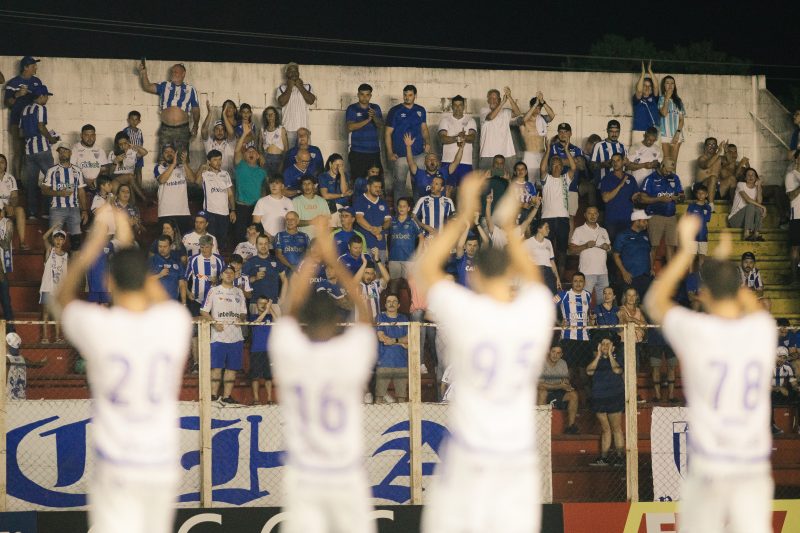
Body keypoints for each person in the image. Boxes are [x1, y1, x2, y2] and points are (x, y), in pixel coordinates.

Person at [417, 171, 555, 533]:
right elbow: (538, 283)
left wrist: (465, 213)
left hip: (469, 457)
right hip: (515, 461)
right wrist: (510, 228)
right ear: (511, 273)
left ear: (474, 277)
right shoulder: (533, 313)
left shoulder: (466, 312)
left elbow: (427, 269)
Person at [52, 206, 192, 533]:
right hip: (160, 465)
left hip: (117, 467)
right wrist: (130, 251)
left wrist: (94, 244)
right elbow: (158, 299)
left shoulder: (99, 326)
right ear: (146, 279)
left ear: (108, 280)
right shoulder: (174, 323)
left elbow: (61, 298)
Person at [644, 214, 777, 533]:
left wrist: (688, 250)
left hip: (709, 466)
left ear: (703, 294)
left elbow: (655, 301)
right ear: (740, 290)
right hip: (751, 466)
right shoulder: (763, 329)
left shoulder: (697, 330)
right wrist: (728, 272)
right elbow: (750, 302)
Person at [268, 215, 376, 533]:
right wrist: (332, 257)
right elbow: (365, 314)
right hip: (346, 474)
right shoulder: (349, 355)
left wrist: (314, 256)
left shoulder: (292, 352)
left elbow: (288, 313)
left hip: (305, 475)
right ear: (335, 323)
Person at [201, 264, 247, 404]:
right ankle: (213, 396)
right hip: (218, 336)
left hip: (236, 336)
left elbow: (243, 312)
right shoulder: (214, 291)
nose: (228, 274)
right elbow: (203, 311)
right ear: (221, 275)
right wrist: (214, 322)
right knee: (217, 367)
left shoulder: (239, 292)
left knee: (231, 368)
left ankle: (227, 396)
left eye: (231, 272)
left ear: (234, 275)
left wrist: (241, 318)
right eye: (225, 272)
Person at [138, 61, 200, 154]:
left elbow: (196, 110)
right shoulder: (164, 85)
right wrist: (143, 73)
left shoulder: (190, 89)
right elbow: (147, 87)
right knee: (164, 157)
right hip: (166, 128)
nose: (173, 73)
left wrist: (195, 125)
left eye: (176, 71)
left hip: (182, 129)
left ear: (183, 74)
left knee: (182, 158)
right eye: (172, 71)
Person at [385, 85, 431, 201]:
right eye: (405, 95)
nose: (407, 97)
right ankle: (398, 216)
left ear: (415, 96)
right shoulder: (395, 111)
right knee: (399, 186)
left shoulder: (420, 110)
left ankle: (418, 213)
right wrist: (390, 153)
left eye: (410, 95)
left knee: (419, 185)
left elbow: (424, 129)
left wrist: (428, 142)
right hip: (401, 156)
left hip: (418, 154)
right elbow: (387, 133)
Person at [539, 138, 577, 278]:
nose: (556, 167)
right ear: (550, 167)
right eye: (553, 164)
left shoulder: (565, 179)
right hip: (547, 219)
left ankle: (559, 278)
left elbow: (573, 167)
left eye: (558, 164)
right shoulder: (546, 178)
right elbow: (541, 169)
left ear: (562, 167)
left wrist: (566, 151)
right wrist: (548, 150)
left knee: (561, 250)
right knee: (545, 248)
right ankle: (546, 277)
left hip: (562, 219)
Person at [586, 336, 625, 467]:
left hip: (614, 396)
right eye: (603, 344)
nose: (605, 346)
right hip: (599, 397)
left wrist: (609, 355)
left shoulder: (617, 358)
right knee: (605, 429)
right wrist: (598, 356)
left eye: (608, 344)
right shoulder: (596, 360)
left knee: (616, 429)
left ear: (613, 347)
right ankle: (604, 458)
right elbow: (589, 372)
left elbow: (617, 370)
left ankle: (620, 457)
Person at [20, 85, 58, 219]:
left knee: (31, 183)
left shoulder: (24, 110)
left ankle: (31, 213)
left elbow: (21, 132)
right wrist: (51, 139)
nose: (47, 98)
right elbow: (41, 127)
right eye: (46, 96)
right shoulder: (41, 108)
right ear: (41, 96)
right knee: (51, 179)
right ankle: (47, 212)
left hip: (29, 151)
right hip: (42, 149)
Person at [41, 143, 88, 250]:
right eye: (60, 152)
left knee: (76, 241)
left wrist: (84, 210)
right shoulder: (52, 170)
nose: (62, 154)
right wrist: (59, 193)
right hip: (57, 209)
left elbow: (81, 191)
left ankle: (74, 265)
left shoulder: (77, 171)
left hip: (74, 208)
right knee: (54, 239)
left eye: (65, 151)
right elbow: (44, 190)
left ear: (70, 153)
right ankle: (52, 265)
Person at [5, 56, 44, 179]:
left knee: (33, 151)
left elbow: (42, 99)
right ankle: (17, 180)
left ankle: (30, 181)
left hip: (32, 121)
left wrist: (31, 94)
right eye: (33, 66)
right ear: (25, 67)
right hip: (16, 120)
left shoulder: (37, 81)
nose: (36, 68)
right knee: (19, 151)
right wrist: (17, 94)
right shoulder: (13, 82)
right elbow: (7, 103)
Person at [639, 158, 684, 262]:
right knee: (653, 246)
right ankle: (650, 272)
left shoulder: (674, 177)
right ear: (662, 165)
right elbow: (642, 198)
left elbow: (682, 195)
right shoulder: (650, 179)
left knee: (671, 245)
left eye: (671, 171)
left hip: (671, 217)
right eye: (667, 170)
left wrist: (678, 197)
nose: (669, 173)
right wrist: (659, 199)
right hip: (655, 216)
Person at [404, 132, 464, 201]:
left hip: (441, 207)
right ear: (425, 163)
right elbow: (410, 162)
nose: (432, 161)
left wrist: (461, 148)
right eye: (429, 159)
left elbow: (456, 162)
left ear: (438, 163)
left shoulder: (444, 172)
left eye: (434, 159)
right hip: (425, 208)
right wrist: (408, 147)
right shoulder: (419, 174)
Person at [196, 149, 236, 250]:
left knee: (222, 241)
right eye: (215, 160)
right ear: (209, 161)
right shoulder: (205, 173)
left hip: (224, 213)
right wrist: (201, 168)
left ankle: (220, 262)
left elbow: (230, 194)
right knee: (210, 240)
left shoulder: (225, 174)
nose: (218, 162)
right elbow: (196, 182)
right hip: (210, 213)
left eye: (220, 159)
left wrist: (233, 210)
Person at [569, 206, 611, 301]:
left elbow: (609, 248)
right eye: (589, 213)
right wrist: (585, 246)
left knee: (604, 302)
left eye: (595, 213)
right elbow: (571, 249)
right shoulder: (579, 230)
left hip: (603, 272)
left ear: (598, 215)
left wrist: (607, 247)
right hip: (587, 272)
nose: (592, 216)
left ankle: (601, 316)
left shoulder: (603, 230)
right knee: (585, 301)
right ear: (585, 215)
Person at [438, 95, 477, 196]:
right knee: (447, 190)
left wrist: (463, 137)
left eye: (460, 105)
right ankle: (448, 211)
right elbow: (443, 138)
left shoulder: (470, 121)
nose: (458, 108)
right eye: (455, 105)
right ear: (452, 106)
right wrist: (458, 137)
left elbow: (472, 138)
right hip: (448, 161)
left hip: (465, 162)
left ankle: (461, 212)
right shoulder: (445, 121)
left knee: (464, 192)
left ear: (464, 106)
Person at [375, 293, 409, 403]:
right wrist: (401, 342)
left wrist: (394, 341)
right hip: (384, 362)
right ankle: (377, 420)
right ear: (385, 304)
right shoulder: (381, 317)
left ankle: (402, 420)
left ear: (399, 305)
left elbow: (409, 339)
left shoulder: (404, 318)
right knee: (379, 396)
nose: (391, 303)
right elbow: (381, 337)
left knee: (401, 397)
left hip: (401, 362)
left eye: (394, 301)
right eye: (389, 301)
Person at [600, 153, 641, 245]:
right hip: (612, 220)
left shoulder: (630, 178)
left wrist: (638, 198)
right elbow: (606, 199)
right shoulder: (607, 178)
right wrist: (621, 184)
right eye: (613, 161)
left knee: (625, 248)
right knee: (612, 248)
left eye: (618, 160)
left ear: (623, 161)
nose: (615, 163)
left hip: (627, 220)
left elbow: (636, 198)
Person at [538, 345, 579, 434]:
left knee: (573, 395)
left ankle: (570, 426)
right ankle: (541, 426)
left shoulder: (563, 363)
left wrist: (567, 385)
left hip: (557, 392)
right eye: (553, 352)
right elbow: (540, 385)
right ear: (549, 351)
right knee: (542, 392)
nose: (555, 355)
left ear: (561, 355)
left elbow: (565, 381)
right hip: (544, 392)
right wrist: (560, 385)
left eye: (558, 353)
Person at [233, 132, 267, 241]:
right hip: (241, 207)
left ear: (258, 156)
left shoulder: (262, 172)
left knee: (254, 236)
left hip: (255, 208)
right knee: (239, 234)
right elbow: (237, 150)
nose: (251, 153)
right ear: (244, 155)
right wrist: (245, 134)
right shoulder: (241, 165)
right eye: (248, 151)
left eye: (254, 151)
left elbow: (265, 190)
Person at [613, 209, 654, 299]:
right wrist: (624, 272)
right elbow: (616, 255)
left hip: (646, 276)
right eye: (644, 221)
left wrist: (652, 268)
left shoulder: (645, 236)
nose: (646, 223)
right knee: (629, 304)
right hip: (631, 277)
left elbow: (650, 252)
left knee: (646, 305)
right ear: (636, 221)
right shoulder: (622, 235)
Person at [479, 87, 522, 171]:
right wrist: (502, 103)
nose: (493, 100)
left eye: (495, 98)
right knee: (486, 181)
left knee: (507, 180)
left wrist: (509, 96)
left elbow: (517, 113)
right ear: (487, 100)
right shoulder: (483, 111)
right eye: (491, 98)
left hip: (506, 153)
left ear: (499, 99)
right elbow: (490, 117)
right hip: (487, 154)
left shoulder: (506, 112)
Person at [346, 83, 384, 180]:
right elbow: (350, 127)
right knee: (358, 180)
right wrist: (367, 120)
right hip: (357, 151)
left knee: (376, 181)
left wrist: (374, 117)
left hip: (373, 151)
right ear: (358, 95)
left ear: (370, 96)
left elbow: (380, 125)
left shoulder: (375, 108)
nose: (364, 97)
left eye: (367, 95)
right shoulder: (352, 108)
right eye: (362, 94)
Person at [155, 144, 195, 234]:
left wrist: (184, 163)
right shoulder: (159, 168)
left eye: (171, 151)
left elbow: (193, 179)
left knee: (184, 241)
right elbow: (162, 180)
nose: (169, 153)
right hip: (165, 213)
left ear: (175, 153)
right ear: (162, 155)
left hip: (183, 212)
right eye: (166, 152)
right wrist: (173, 164)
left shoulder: (182, 167)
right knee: (166, 242)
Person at [276, 62, 316, 148]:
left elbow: (311, 100)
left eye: (296, 71)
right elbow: (282, 102)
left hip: (304, 129)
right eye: (291, 71)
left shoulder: (307, 86)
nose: (293, 73)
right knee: (289, 156)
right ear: (286, 74)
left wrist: (300, 87)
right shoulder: (281, 88)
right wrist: (290, 87)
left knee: (305, 155)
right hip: (288, 130)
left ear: (299, 73)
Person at [519, 91, 555, 183]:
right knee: (529, 182)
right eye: (536, 107)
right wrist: (535, 104)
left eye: (539, 108)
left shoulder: (542, 119)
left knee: (542, 182)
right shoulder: (524, 118)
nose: (538, 109)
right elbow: (523, 120)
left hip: (541, 154)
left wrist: (543, 102)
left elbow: (552, 116)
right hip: (529, 154)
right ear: (532, 107)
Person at [354, 175, 392, 261]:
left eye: (380, 187)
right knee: (366, 273)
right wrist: (374, 231)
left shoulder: (383, 202)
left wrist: (381, 228)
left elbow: (388, 221)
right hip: (364, 246)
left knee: (380, 273)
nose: (378, 189)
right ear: (368, 186)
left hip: (380, 246)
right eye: (375, 186)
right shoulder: (360, 200)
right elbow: (359, 219)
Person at [185, 235, 224, 318]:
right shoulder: (193, 259)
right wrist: (188, 293)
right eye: (202, 247)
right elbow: (185, 279)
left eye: (207, 247)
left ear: (212, 246)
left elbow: (225, 277)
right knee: (196, 327)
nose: (204, 250)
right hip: (196, 300)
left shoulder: (219, 260)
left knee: (213, 325)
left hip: (215, 299)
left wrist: (218, 279)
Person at [249, 296, 278, 405]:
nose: (262, 305)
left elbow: (278, 321)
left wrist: (270, 308)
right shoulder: (253, 316)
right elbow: (257, 322)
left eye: (265, 303)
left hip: (269, 350)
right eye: (260, 303)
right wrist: (266, 310)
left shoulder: (270, 316)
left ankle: (269, 399)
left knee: (268, 376)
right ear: (256, 305)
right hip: (256, 350)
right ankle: (256, 399)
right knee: (255, 376)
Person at [387, 197, 423, 279]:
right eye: (400, 206)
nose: (401, 208)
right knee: (394, 283)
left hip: (409, 259)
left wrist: (418, 255)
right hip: (393, 258)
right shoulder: (392, 221)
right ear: (397, 207)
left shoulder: (412, 222)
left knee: (408, 285)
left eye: (404, 206)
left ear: (408, 208)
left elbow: (421, 237)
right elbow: (386, 237)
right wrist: (387, 253)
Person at [6, 332, 47, 400]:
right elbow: (36, 365)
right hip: (21, 398)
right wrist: (44, 361)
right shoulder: (22, 359)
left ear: (7, 344)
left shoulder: (6, 360)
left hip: (8, 399)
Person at [252, 175, 294, 243]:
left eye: (277, 183)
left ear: (282, 186)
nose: (273, 186)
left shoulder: (289, 202)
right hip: (266, 242)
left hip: (284, 241)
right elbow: (256, 223)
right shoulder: (261, 201)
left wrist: (285, 237)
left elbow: (292, 222)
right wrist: (268, 237)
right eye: (271, 183)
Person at [728, 167, 766, 241]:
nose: (751, 177)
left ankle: (756, 234)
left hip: (748, 221)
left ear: (756, 178)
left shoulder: (757, 188)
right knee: (751, 205)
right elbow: (748, 200)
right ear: (745, 178)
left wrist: (758, 186)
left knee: (758, 208)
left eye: (753, 175)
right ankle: (746, 234)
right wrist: (764, 207)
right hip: (735, 220)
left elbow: (759, 202)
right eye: (748, 175)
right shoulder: (740, 185)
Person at [109, 131, 148, 202]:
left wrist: (133, 146)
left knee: (132, 200)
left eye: (125, 143)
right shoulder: (113, 153)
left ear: (128, 142)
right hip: (117, 177)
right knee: (129, 177)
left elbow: (145, 152)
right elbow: (110, 172)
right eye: (120, 144)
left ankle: (134, 205)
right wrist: (115, 162)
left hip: (130, 179)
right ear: (117, 145)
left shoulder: (132, 152)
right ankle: (144, 198)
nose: (123, 146)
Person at [71, 124, 112, 191]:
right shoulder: (75, 149)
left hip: (97, 183)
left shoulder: (100, 150)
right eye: (86, 135)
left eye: (92, 135)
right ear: (81, 135)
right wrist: (84, 180)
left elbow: (104, 169)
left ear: (95, 136)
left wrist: (96, 181)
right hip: (80, 183)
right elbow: (71, 169)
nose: (90, 138)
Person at [0, 154, 28, 249]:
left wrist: (11, 205)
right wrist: (3, 208)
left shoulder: (10, 178)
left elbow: (15, 196)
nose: (0, 164)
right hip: (1, 208)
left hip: (8, 207)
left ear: (5, 165)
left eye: (2, 162)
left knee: (20, 210)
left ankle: (22, 242)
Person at [524, 220, 561, 294]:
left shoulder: (548, 242)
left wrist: (557, 278)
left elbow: (552, 261)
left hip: (549, 273)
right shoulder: (527, 243)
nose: (549, 230)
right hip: (535, 272)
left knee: (552, 296)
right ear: (539, 229)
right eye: (546, 227)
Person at [150, 234, 187, 304]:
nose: (162, 249)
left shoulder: (177, 262)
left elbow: (182, 284)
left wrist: (184, 302)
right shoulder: (152, 260)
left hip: (172, 304)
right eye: (160, 246)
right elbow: (145, 281)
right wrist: (159, 275)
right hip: (155, 304)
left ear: (170, 246)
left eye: (165, 247)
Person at [631, 61, 660, 145]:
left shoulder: (654, 98)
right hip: (639, 130)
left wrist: (650, 70)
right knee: (636, 156)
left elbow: (656, 86)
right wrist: (643, 73)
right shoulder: (636, 98)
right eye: (644, 85)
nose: (647, 87)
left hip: (654, 132)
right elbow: (639, 91)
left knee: (655, 156)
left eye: (649, 86)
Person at [658, 75, 685, 163]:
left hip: (676, 135)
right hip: (664, 135)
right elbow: (664, 113)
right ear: (664, 86)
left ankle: (673, 177)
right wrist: (667, 98)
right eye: (667, 83)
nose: (670, 85)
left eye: (672, 83)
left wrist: (677, 134)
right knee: (665, 164)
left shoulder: (678, 101)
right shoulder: (660, 99)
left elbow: (681, 120)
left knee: (673, 164)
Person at [590, 120, 627, 184]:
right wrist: (603, 164)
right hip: (602, 185)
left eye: (617, 132)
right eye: (611, 131)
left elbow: (625, 167)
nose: (614, 134)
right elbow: (591, 166)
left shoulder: (623, 146)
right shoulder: (599, 145)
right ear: (607, 131)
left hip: (619, 184)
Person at [201, 106, 236, 175]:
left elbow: (231, 132)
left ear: (225, 132)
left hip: (228, 178)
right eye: (217, 129)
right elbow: (204, 130)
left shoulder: (230, 144)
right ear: (213, 131)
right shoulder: (209, 143)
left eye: (222, 129)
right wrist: (210, 113)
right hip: (212, 178)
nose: (220, 131)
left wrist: (224, 115)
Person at [686, 183, 712, 269]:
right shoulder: (691, 206)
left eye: (703, 193)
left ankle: (700, 274)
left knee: (702, 256)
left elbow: (707, 219)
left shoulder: (708, 207)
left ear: (706, 194)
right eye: (699, 193)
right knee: (691, 256)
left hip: (703, 234)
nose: (701, 195)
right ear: (696, 194)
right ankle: (690, 274)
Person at [696, 137, 726, 206]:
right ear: (705, 147)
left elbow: (731, 164)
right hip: (701, 188)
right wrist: (718, 152)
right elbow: (707, 165)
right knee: (713, 177)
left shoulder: (720, 158)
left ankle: (733, 206)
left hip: (715, 188)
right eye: (709, 144)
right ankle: (711, 206)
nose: (712, 147)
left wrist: (726, 151)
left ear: (717, 146)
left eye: (714, 145)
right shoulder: (701, 158)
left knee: (731, 179)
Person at [260, 106, 288, 176]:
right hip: (265, 158)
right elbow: (259, 146)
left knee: (276, 181)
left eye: (272, 114)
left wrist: (282, 162)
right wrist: (261, 156)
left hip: (278, 158)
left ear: (275, 115)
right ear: (265, 116)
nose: (270, 116)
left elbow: (286, 148)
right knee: (266, 182)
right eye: (267, 114)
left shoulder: (281, 129)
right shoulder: (263, 130)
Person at [787, 155, 800, 282]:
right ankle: (794, 277)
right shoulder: (791, 175)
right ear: (796, 159)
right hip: (797, 216)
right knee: (795, 247)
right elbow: (790, 196)